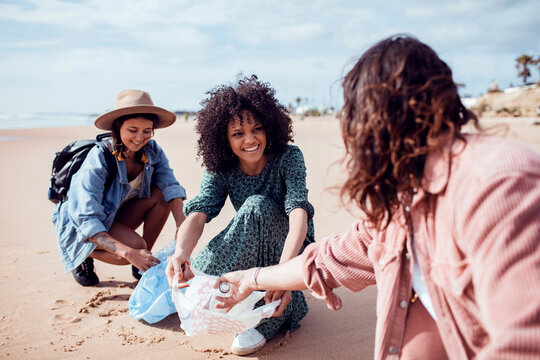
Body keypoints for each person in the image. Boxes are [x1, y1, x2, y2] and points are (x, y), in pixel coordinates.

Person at [213, 36, 540, 359]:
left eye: (357, 121)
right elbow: (330, 260)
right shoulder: (409, 195)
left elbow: (524, 343)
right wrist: (250, 279)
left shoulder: (497, 186)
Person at [165, 75, 315, 356]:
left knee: (256, 205)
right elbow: (199, 212)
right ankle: (230, 295)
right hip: (252, 239)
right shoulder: (222, 168)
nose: (249, 139)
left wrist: (282, 275)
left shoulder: (289, 157)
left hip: (292, 247)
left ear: (269, 127)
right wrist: (180, 252)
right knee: (203, 270)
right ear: (224, 139)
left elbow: (298, 213)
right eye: (237, 133)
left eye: (257, 128)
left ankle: (268, 316)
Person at [53, 89, 186, 286]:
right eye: (132, 130)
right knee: (132, 248)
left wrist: (182, 228)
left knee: (160, 195)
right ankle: (84, 257)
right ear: (117, 128)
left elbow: (170, 187)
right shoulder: (99, 158)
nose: (140, 138)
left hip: (112, 213)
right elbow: (86, 220)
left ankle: (143, 260)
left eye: (146, 131)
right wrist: (129, 252)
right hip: (80, 224)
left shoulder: (152, 150)